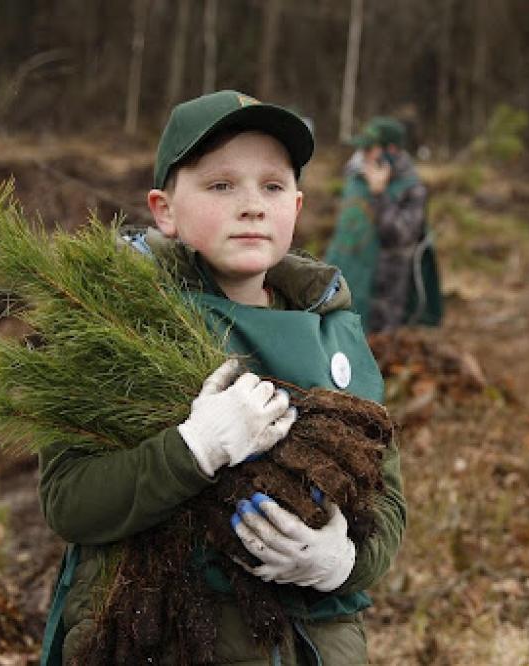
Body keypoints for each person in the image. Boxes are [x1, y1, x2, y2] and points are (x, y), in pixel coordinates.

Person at [38, 90, 406, 665]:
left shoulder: (332, 331)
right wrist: (193, 449)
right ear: (164, 210)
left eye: (273, 186)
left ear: (298, 206)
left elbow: (388, 505)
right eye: (221, 185)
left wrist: (341, 561)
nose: (252, 205)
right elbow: (70, 503)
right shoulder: (115, 326)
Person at [324, 116, 442, 333]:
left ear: (392, 150)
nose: (363, 155)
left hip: (383, 295)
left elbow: (400, 236)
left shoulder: (412, 188)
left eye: (371, 149)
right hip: (347, 279)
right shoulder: (356, 178)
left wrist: (379, 195)